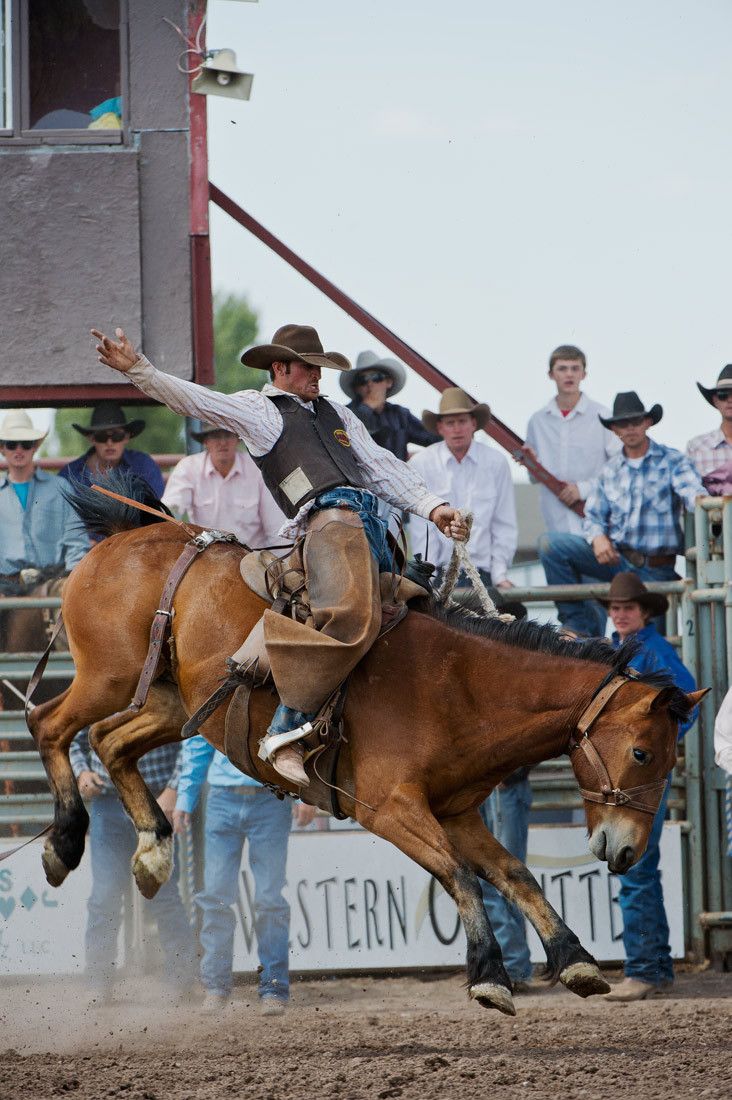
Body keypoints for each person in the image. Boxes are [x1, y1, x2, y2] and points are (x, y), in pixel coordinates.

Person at [92, 324, 468, 790]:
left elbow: (379, 465)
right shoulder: (261, 411)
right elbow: (198, 401)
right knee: (349, 617)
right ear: (280, 368)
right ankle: (285, 726)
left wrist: (434, 508)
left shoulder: (336, 413)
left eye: (319, 367)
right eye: (309, 367)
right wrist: (141, 371)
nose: (317, 376)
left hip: (372, 527)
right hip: (328, 524)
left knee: (416, 608)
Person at [599, 574, 696, 1001]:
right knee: (637, 866)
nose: (620, 614)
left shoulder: (652, 653)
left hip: (641, 777)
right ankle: (653, 967)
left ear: (644, 612)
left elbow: (687, 703)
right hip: (635, 774)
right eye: (615, 608)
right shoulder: (633, 649)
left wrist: (653, 748)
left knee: (634, 866)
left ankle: (644, 968)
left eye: (627, 608)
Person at [539, 391, 704, 637]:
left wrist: (704, 503)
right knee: (550, 545)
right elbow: (593, 516)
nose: (630, 428)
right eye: (623, 424)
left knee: (649, 643)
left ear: (647, 422)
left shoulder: (673, 461)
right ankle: (577, 625)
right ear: (614, 429)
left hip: (655, 568)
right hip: (616, 560)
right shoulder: (610, 470)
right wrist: (597, 537)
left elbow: (694, 496)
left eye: (636, 421)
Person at [173, 736, 316, 1015]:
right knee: (218, 896)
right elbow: (200, 741)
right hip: (234, 799)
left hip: (268, 797)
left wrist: (304, 794)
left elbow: (297, 739)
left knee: (266, 899)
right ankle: (218, 987)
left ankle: (270, 988)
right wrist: (184, 799)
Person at [69, 732, 198, 1002]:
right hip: (108, 804)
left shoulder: (163, 698)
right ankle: (98, 982)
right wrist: (82, 773)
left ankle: (181, 980)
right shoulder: (93, 702)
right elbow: (74, 738)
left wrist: (173, 790)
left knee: (164, 895)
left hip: (155, 799)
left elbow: (188, 739)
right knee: (104, 895)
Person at [408, 389, 517, 591]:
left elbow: (504, 523)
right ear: (440, 427)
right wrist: (427, 579)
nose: (457, 429)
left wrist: (500, 574)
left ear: (473, 424)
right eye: (450, 423)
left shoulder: (496, 462)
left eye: (462, 421)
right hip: (439, 571)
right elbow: (421, 528)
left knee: (512, 607)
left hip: (484, 572)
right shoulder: (421, 463)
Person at [523, 344, 620, 536]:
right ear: (551, 374)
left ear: (584, 374)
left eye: (575, 368)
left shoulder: (603, 416)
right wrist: (531, 464)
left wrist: (584, 489)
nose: (569, 374)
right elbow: (534, 478)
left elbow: (618, 468)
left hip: (598, 525)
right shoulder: (537, 421)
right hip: (555, 521)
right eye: (562, 368)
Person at [0, 409, 88, 583]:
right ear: (2, 448)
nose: (19, 450)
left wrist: (70, 583)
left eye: (26, 444)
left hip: (53, 581)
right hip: (4, 585)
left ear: (35, 447)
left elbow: (76, 541)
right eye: (11, 444)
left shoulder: (60, 487)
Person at [162, 422, 285, 545]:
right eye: (215, 436)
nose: (222, 442)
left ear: (238, 439)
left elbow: (276, 527)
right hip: (206, 553)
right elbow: (172, 509)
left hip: (251, 554)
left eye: (228, 435)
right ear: (206, 442)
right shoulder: (189, 467)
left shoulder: (257, 470)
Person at [478, 769, 533, 991]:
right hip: (481, 785)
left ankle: (512, 966)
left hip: (500, 786)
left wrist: (510, 772)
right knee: (493, 880)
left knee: (503, 880)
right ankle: (513, 966)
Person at [339, 351, 439, 460]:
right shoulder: (345, 413)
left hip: (396, 471)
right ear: (356, 388)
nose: (369, 383)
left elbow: (435, 439)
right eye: (362, 380)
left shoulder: (401, 415)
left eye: (376, 377)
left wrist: (419, 459)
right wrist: (367, 407)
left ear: (388, 382)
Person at [58, 401, 164, 497]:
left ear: (126, 437)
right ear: (92, 439)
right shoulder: (69, 474)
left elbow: (155, 505)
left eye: (117, 436)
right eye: (102, 437)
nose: (109, 443)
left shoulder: (144, 465)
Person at [686, 364, 732, 496]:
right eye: (723, 395)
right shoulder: (696, 447)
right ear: (715, 400)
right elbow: (689, 492)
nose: (730, 400)